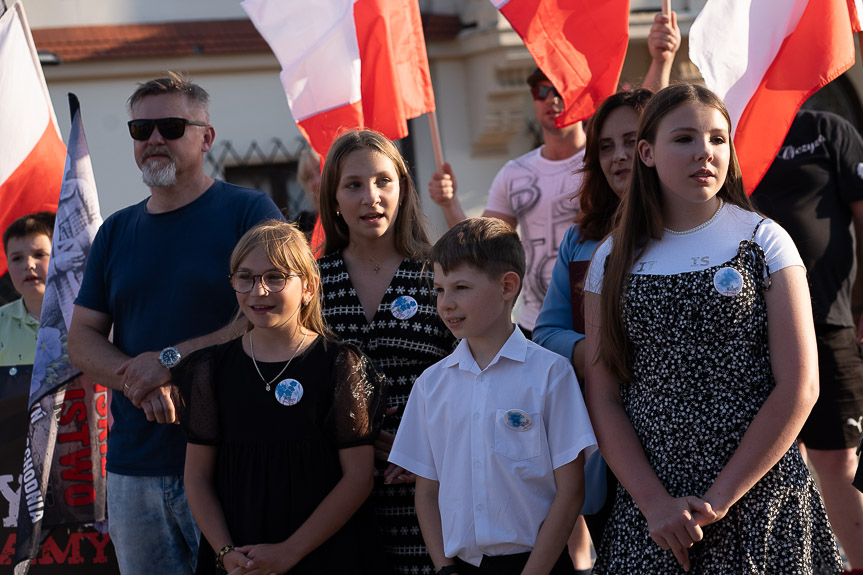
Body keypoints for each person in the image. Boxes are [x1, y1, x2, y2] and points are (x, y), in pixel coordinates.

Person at [584, 83, 842, 573]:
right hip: (653, 515)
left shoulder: (764, 239)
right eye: (684, 139)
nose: (705, 152)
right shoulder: (612, 257)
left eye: (718, 139)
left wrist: (719, 499)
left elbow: (800, 386)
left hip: (760, 499)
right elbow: (604, 397)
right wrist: (653, 503)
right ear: (647, 153)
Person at [68, 72, 283, 575]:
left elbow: (274, 314)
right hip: (133, 470)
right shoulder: (116, 231)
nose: (154, 140)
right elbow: (80, 340)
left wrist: (169, 361)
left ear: (205, 137)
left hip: (232, 461)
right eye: (141, 130)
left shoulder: (250, 211)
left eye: (169, 125)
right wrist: (135, 379)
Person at [427, 10, 680, 342]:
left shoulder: (605, 164)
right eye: (541, 91)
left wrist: (661, 60)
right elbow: (483, 246)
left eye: (560, 89)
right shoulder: (514, 174)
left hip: (610, 317)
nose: (552, 100)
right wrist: (449, 204)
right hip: (540, 325)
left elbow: (644, 120)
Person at [176, 220, 387, 574]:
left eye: (275, 277)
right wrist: (226, 552)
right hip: (238, 560)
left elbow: (358, 478)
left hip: (324, 555)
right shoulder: (210, 369)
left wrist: (291, 551)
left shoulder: (339, 365)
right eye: (245, 277)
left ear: (309, 287)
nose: (258, 291)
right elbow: (196, 477)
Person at [389, 217, 596, 575]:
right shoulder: (430, 385)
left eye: (461, 287)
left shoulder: (550, 374)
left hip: (540, 564)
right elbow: (425, 492)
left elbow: (571, 491)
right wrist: (443, 567)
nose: (446, 303)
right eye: (439, 290)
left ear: (507, 287)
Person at [318, 129, 458, 574]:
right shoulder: (310, 283)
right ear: (334, 197)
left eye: (383, 181)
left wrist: (426, 450)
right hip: (333, 492)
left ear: (402, 189)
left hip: (432, 489)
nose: (371, 197)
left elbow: (476, 376)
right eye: (354, 185)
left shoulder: (440, 274)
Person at [532, 89, 653, 557]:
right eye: (605, 146)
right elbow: (546, 334)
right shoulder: (580, 241)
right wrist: (599, 353)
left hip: (686, 443)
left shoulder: (699, 234)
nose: (619, 156)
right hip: (607, 445)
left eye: (632, 139)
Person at [751, 109, 863, 573]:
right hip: (749, 334)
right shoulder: (728, 131)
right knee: (766, 469)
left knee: (841, 464)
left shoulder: (826, 130)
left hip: (830, 324)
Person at [0, 212, 54, 366]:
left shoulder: (86, 320)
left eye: (39, 254)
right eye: (17, 258)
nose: (29, 265)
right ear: (8, 267)